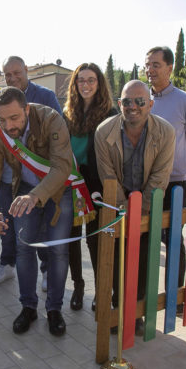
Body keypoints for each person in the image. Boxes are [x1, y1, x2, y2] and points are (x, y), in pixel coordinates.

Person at [0, 87, 73, 336]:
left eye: (14, 118)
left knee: (58, 250)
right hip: (24, 189)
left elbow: (62, 167)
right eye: (1, 119)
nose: (8, 126)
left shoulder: (51, 119)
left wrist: (36, 196)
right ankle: (28, 307)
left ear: (27, 109)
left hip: (59, 190)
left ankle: (54, 309)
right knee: (23, 247)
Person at [95, 80, 175, 335]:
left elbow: (160, 177)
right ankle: (117, 308)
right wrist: (124, 209)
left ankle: (137, 313)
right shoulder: (103, 132)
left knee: (144, 259)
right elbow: (107, 176)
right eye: (127, 101)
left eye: (140, 101)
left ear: (150, 104)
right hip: (117, 204)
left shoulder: (166, 132)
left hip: (149, 204)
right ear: (120, 104)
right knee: (116, 258)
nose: (133, 107)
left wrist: (141, 211)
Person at [0, 56, 60, 288]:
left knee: (43, 229)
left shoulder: (46, 96)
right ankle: (6, 264)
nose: (13, 78)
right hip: (8, 176)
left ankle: (47, 270)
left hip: (39, 178)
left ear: (26, 70)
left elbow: (59, 134)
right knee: (6, 225)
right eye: (8, 75)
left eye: (17, 73)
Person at [145, 46, 186, 315]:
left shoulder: (185, 102)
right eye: (148, 65)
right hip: (144, 184)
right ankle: (143, 296)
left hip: (174, 186)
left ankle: (175, 298)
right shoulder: (141, 99)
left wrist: (179, 171)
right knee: (145, 239)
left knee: (173, 241)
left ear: (170, 68)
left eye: (156, 65)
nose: (150, 70)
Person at [62, 63, 118, 311]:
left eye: (91, 80)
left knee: (95, 240)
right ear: (75, 84)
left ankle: (101, 290)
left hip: (97, 186)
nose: (85, 85)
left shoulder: (110, 114)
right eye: (81, 80)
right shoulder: (67, 113)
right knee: (71, 238)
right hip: (71, 183)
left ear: (99, 83)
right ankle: (78, 287)